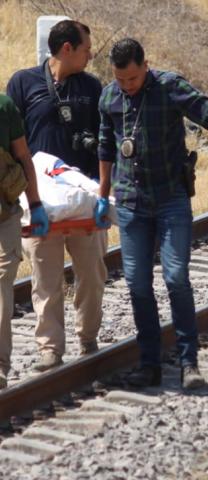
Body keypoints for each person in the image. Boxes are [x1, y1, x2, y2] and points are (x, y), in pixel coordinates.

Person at [96, 38, 208, 389]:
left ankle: (188, 363)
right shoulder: (108, 97)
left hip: (170, 199)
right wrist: (102, 196)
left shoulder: (169, 86)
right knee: (137, 284)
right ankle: (149, 365)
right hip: (131, 203)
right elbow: (106, 144)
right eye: (121, 80)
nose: (127, 87)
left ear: (145, 65)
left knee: (176, 277)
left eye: (132, 79)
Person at [6, 20, 107, 371]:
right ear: (67, 48)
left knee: (92, 276)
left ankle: (88, 337)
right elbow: (13, 141)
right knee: (45, 282)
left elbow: (105, 142)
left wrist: (104, 195)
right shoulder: (23, 82)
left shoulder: (92, 87)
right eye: (86, 48)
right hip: (40, 203)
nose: (90, 54)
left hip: (82, 201)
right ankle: (50, 350)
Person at [0, 93, 49, 389]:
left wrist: (36, 204)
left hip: (5, 213)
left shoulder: (4, 107)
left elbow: (23, 157)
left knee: (2, 283)